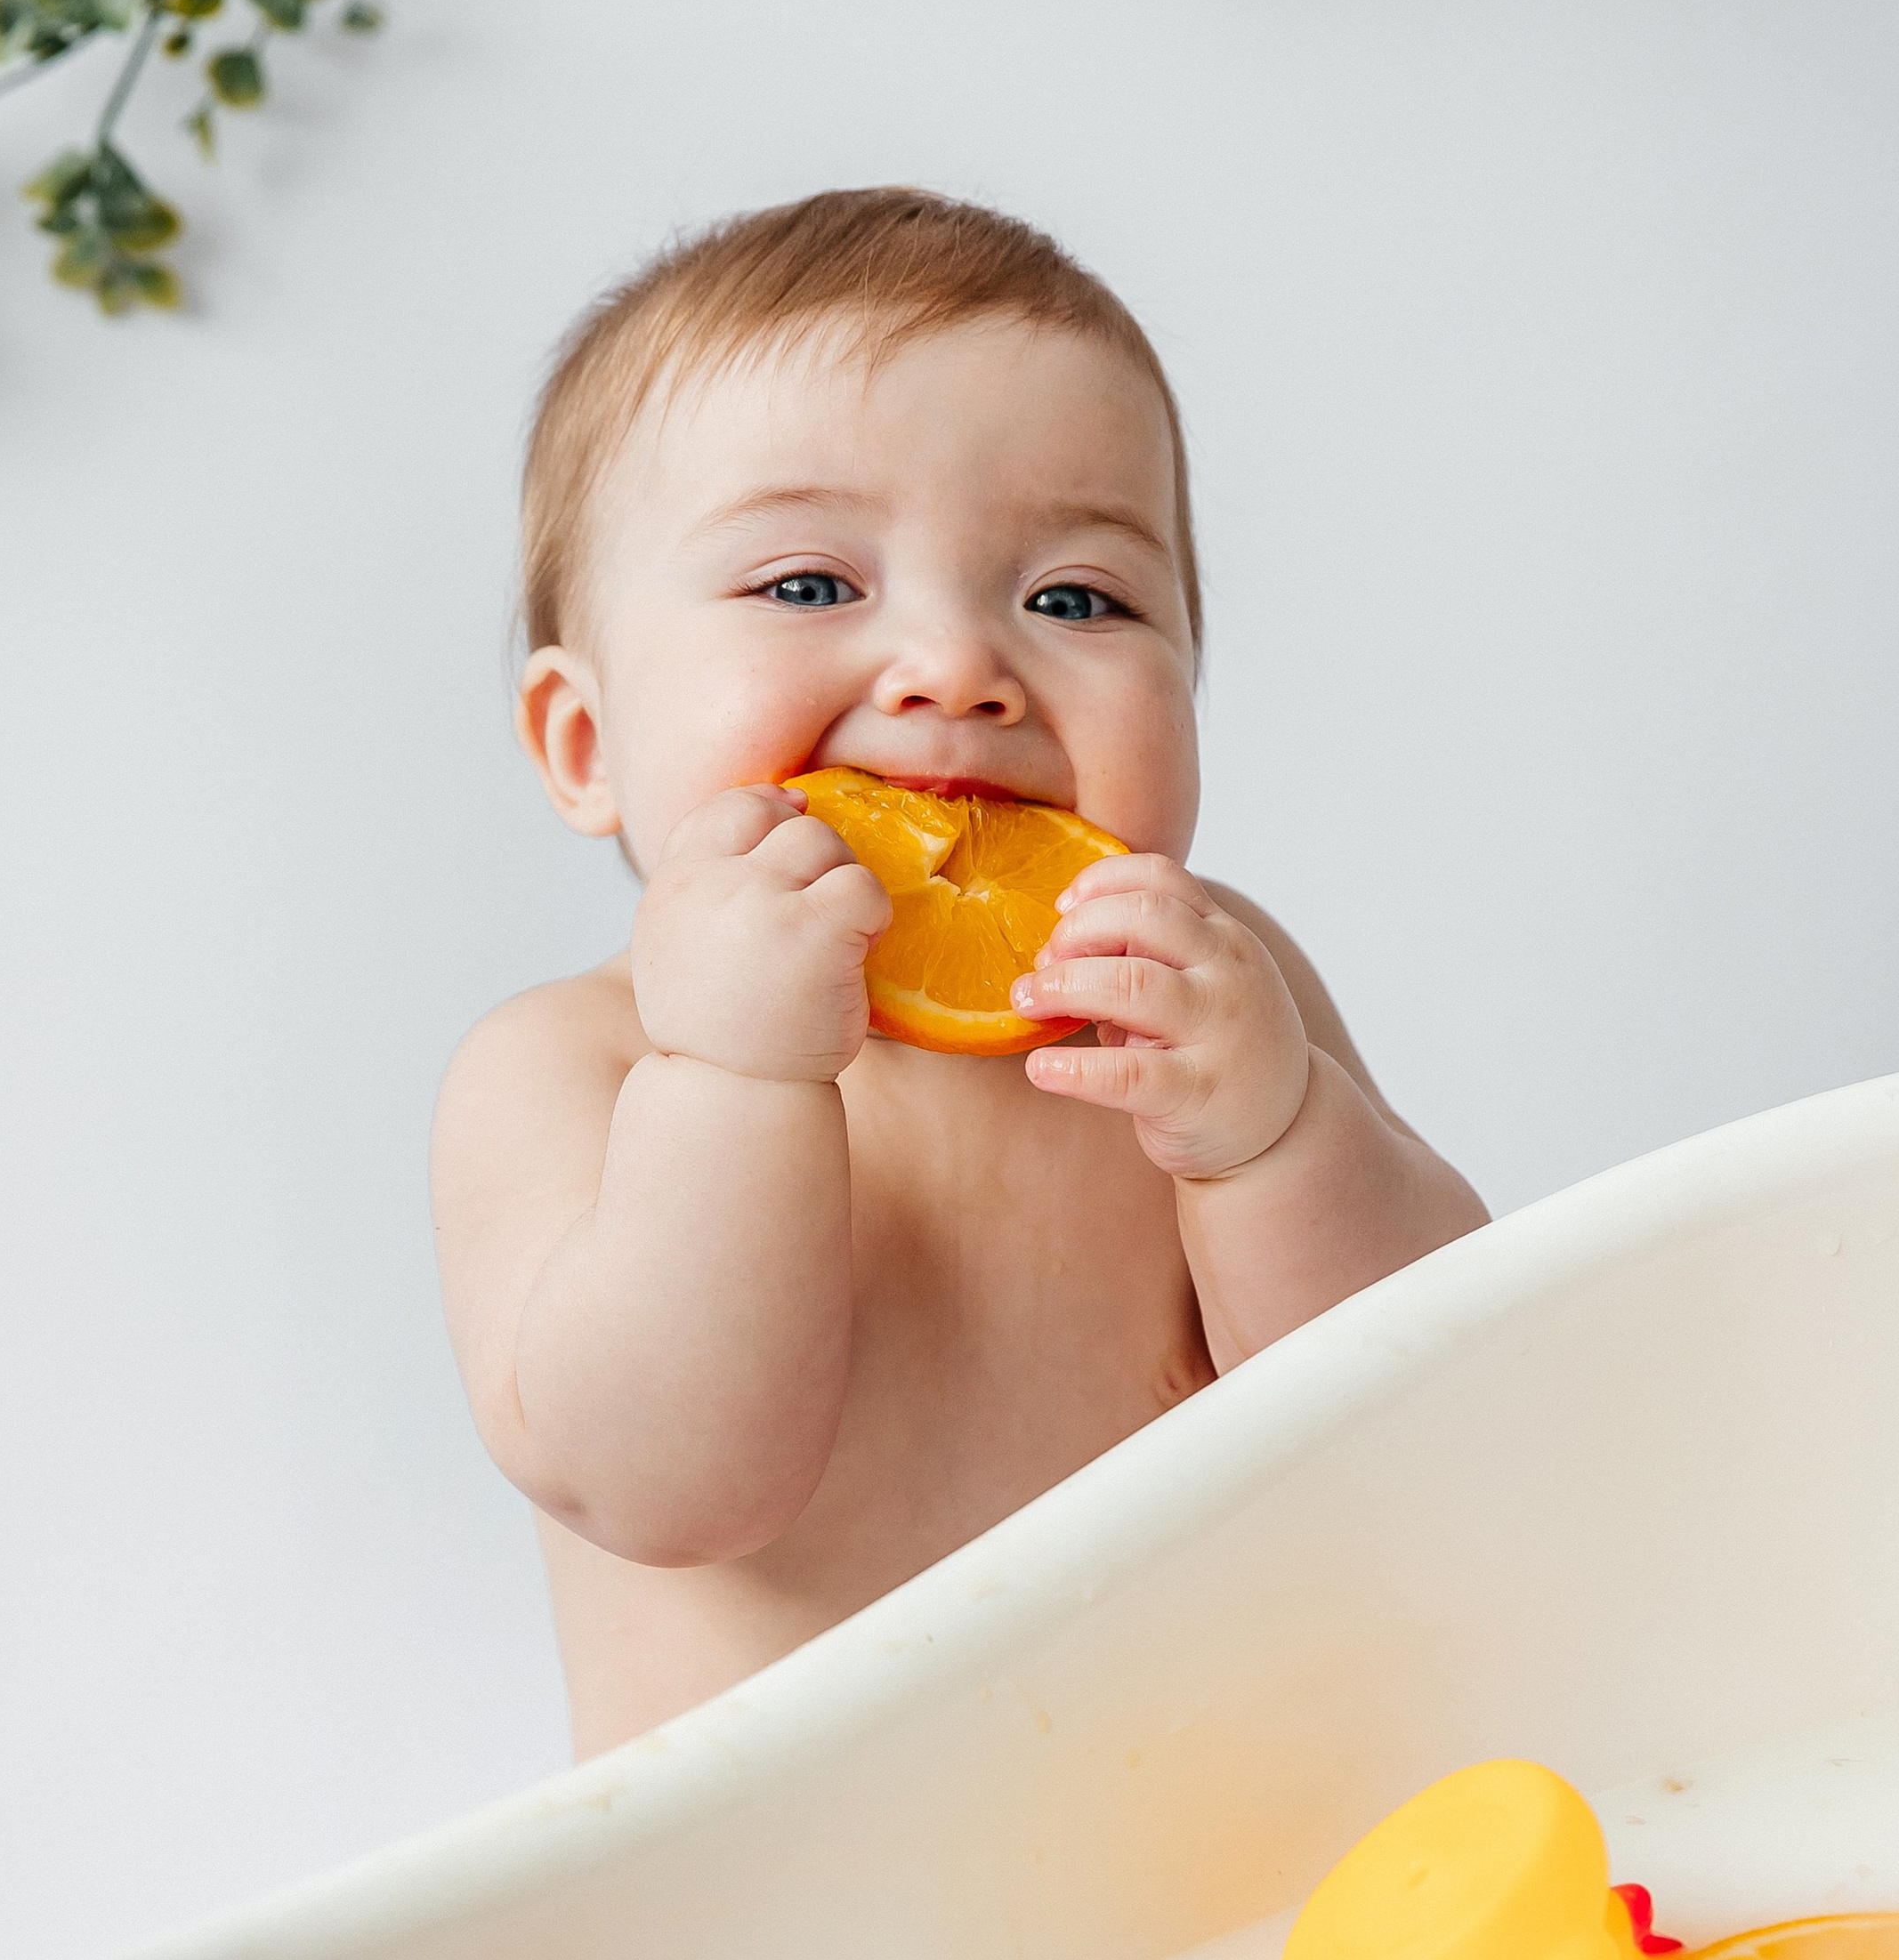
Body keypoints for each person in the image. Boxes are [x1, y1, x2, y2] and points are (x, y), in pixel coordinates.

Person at [432, 189, 1485, 1755]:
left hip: (1219, 1838)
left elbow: (1430, 1397)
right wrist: (731, 1082)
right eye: (809, 585)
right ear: (586, 743)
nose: (959, 670)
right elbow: (668, 1484)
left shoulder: (1201, 1003)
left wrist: (1276, 1139)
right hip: (785, 1895)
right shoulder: (563, 1070)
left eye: (1075, 598)